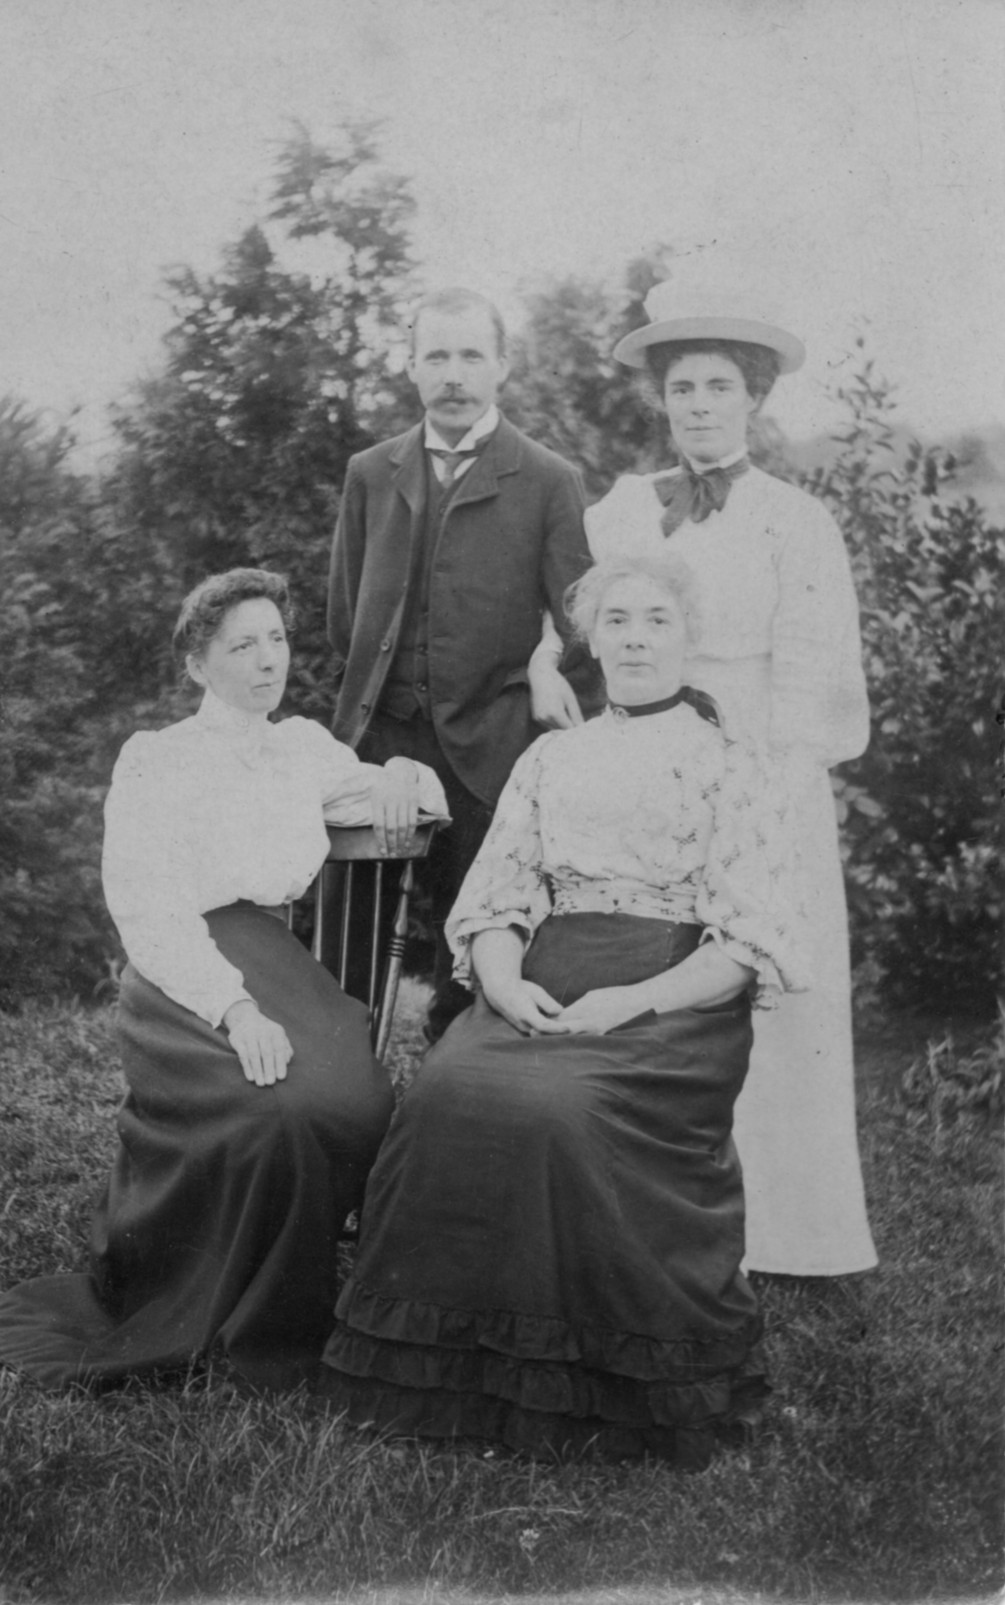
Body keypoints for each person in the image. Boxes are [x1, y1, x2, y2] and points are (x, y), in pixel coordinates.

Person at [319, 553, 808, 1468]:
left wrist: (631, 1001)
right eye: (616, 620)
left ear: (689, 637)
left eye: (657, 620)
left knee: (562, 1112)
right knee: (442, 1097)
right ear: (590, 639)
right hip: (543, 979)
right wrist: (504, 987)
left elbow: (744, 946)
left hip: (670, 996)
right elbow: (498, 900)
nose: (635, 639)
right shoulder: (551, 756)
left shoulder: (736, 765)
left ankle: (602, 1377)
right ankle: (452, 1368)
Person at [0, 568, 447, 1391]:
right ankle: (233, 1306)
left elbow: (407, 794)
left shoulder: (302, 748)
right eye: (242, 645)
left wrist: (399, 772)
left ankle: (291, 1286)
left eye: (276, 638)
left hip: (272, 954)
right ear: (197, 663)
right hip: (181, 970)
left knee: (354, 1101)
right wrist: (234, 1007)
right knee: (274, 1110)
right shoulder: (158, 758)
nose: (267, 659)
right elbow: (146, 906)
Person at [532, 282, 876, 1278]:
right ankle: (652, 1211)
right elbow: (568, 606)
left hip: (760, 769)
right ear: (661, 398)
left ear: (753, 397)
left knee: (767, 981)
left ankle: (785, 1231)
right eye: (682, 387)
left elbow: (812, 680)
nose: (699, 405)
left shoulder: (793, 520)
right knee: (656, 966)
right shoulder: (626, 506)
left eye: (720, 386)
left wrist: (759, 792)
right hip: (650, 764)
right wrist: (543, 661)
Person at [327, 286, 594, 1043]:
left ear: (502, 366)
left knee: (476, 929)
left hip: (489, 744)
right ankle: (342, 1063)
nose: (453, 375)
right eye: (436, 356)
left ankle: (457, 1071)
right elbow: (345, 616)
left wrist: (538, 668)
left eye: (471, 356)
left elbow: (578, 621)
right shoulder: (370, 472)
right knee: (351, 923)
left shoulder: (548, 479)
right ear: (410, 366)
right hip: (380, 736)